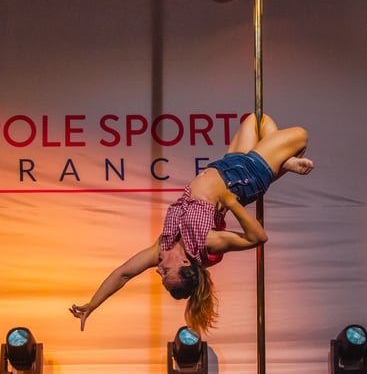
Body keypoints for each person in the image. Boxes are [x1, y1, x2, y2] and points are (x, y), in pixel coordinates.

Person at [69, 113, 313, 334]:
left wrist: (93, 304)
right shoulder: (205, 244)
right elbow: (258, 238)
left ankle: (283, 163)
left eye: (161, 275)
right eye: (166, 272)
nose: (158, 271)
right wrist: (233, 203)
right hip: (247, 176)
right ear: (185, 263)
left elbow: (123, 274)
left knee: (256, 120)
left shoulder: (162, 248)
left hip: (226, 164)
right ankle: (279, 163)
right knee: (300, 135)